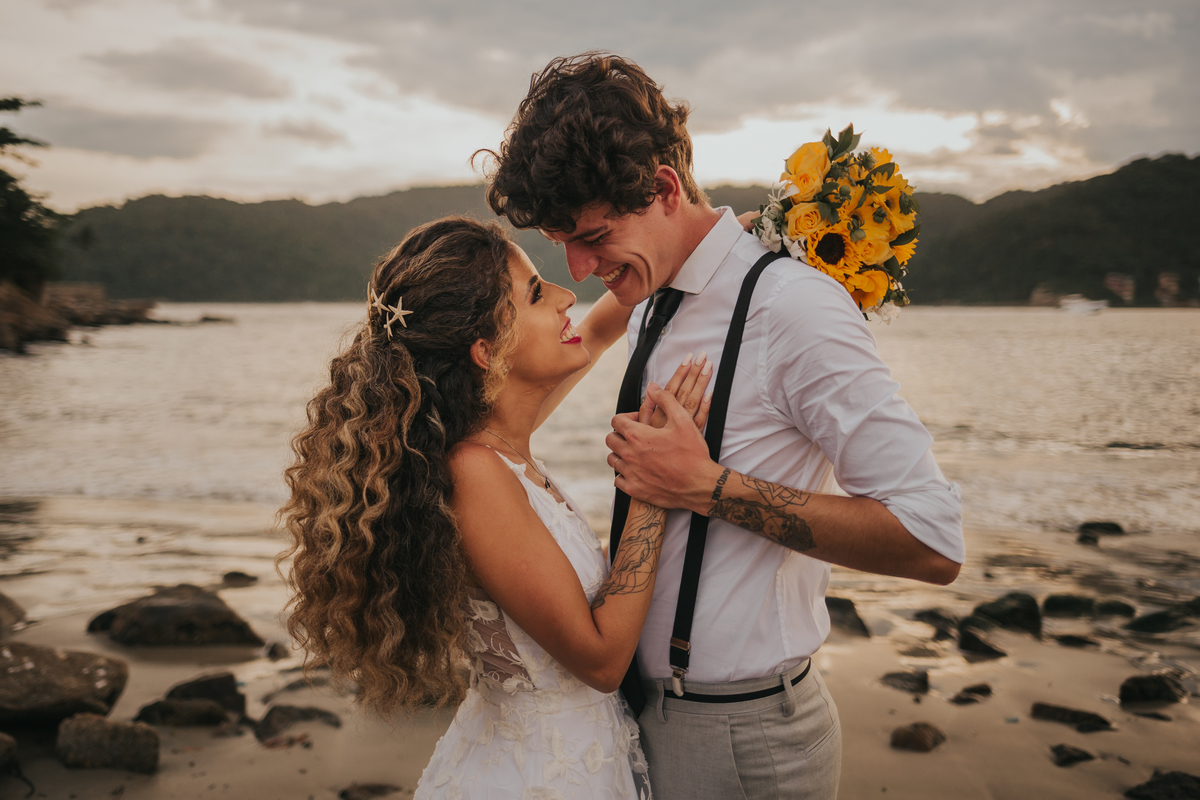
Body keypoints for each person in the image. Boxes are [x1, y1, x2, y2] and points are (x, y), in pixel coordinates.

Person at [480, 53, 966, 799]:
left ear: (664, 188)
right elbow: (587, 338)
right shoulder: (655, 291)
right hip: (645, 719)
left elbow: (933, 540)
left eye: (595, 237)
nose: (578, 269)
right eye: (560, 243)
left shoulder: (793, 310)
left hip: (743, 737)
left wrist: (706, 487)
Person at [281, 215, 715, 799]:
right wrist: (654, 484)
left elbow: (598, 330)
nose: (566, 296)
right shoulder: (475, 473)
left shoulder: (497, 443)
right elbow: (602, 660)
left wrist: (713, 236)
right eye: (536, 293)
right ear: (486, 351)